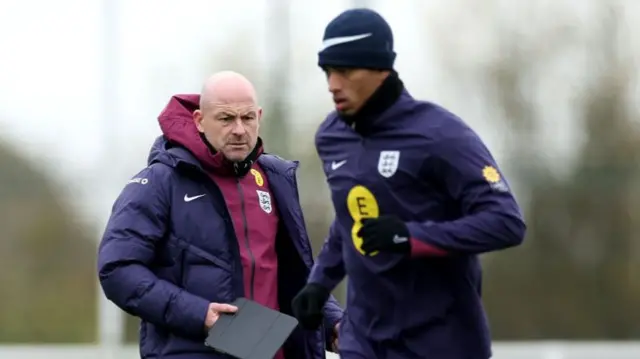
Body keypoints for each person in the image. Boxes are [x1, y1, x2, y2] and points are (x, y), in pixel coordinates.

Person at [291, 8, 527, 359]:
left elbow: (506, 222)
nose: (332, 84)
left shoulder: (441, 135)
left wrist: (410, 236)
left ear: (381, 70)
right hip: (363, 341)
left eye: (344, 71)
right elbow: (349, 219)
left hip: (440, 342)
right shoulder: (331, 135)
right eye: (327, 71)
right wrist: (319, 282)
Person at [97, 71, 343, 359]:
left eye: (248, 118)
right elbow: (118, 269)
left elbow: (293, 275)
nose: (239, 129)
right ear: (200, 120)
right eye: (226, 118)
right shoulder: (160, 182)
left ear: (259, 116)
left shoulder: (276, 178)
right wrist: (200, 315)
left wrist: (333, 323)